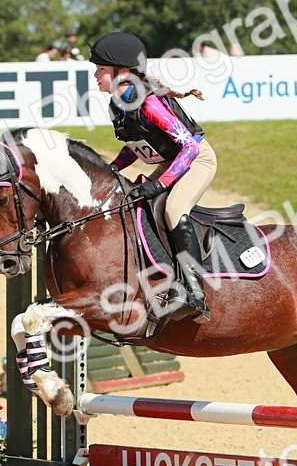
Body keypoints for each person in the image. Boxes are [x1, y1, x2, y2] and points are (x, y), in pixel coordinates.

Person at [89, 31, 214, 324]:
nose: (95, 75)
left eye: (101, 69)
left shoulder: (149, 102)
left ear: (123, 72)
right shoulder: (117, 104)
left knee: (174, 208)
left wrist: (160, 184)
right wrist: (112, 169)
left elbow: (190, 147)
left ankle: (195, 294)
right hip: (170, 162)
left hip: (196, 160)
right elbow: (135, 146)